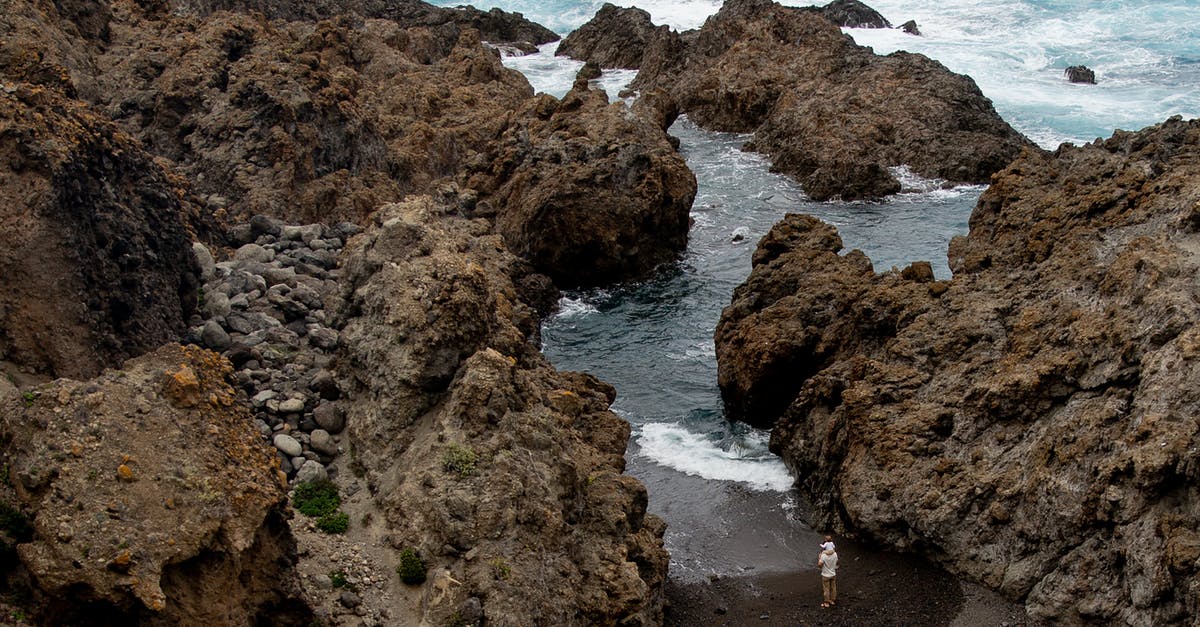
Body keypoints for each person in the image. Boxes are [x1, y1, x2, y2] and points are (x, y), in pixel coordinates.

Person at [818, 539, 839, 608]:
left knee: (826, 589)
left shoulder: (823, 556)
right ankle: (832, 600)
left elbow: (819, 565)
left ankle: (826, 602)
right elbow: (836, 563)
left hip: (826, 575)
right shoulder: (835, 554)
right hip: (833, 574)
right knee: (833, 587)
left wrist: (819, 558)